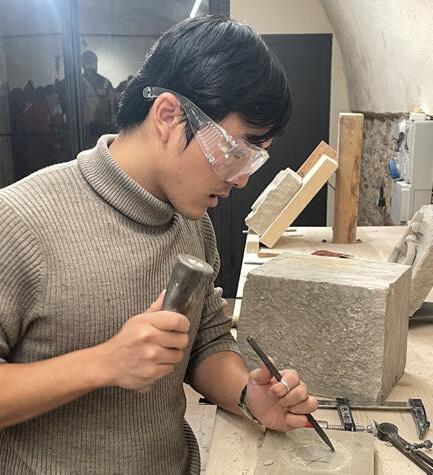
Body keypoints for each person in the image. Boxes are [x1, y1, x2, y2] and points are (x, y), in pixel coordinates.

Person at [0, 16, 318, 474]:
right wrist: (105, 363)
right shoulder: (19, 221)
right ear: (169, 116)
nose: (241, 178)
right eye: (235, 152)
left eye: (253, 159)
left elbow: (207, 340)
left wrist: (249, 396)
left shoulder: (192, 222)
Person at [81, 50, 116, 147]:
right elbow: (113, 107)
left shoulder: (77, 84)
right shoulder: (106, 82)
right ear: (95, 63)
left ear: (82, 64)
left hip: (86, 130)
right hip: (104, 127)